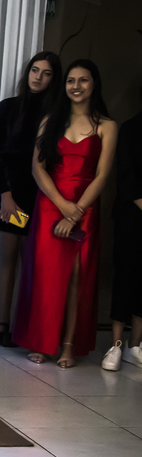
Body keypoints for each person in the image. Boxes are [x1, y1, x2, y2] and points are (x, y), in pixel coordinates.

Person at [14, 60, 117, 367]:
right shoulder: (51, 121)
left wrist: (76, 212)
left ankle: (69, 345)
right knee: (46, 274)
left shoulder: (107, 126)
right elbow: (37, 168)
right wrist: (62, 206)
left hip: (85, 206)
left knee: (77, 277)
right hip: (51, 204)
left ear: (94, 84)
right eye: (71, 80)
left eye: (83, 80)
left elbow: (103, 175)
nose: (76, 86)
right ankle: (41, 341)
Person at [0, 51, 61, 346]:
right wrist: (6, 194)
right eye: (34, 70)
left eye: (46, 73)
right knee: (8, 258)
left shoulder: (56, 114)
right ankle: (2, 323)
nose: (38, 77)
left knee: (32, 261)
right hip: (8, 192)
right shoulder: (8, 107)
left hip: (40, 194)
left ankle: (25, 327)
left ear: (53, 79)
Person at [103, 104, 142, 370]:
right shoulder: (130, 127)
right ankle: (115, 345)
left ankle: (134, 345)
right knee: (125, 276)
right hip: (132, 215)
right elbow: (126, 177)